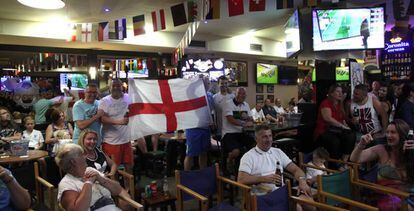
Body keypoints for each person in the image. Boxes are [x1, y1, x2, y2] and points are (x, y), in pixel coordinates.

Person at [238, 124, 314, 211]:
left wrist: (302, 181)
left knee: (310, 204)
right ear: (256, 139)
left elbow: (295, 169)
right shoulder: (248, 156)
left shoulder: (277, 152)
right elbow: (241, 180)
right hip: (262, 196)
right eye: (264, 137)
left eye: (270, 136)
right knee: (297, 208)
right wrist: (263, 179)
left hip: (281, 192)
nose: (269, 139)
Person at [350, 119, 414, 210]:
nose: (388, 135)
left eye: (393, 132)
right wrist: (361, 144)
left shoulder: (411, 151)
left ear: (402, 134)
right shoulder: (381, 149)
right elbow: (355, 159)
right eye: (387, 132)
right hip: (386, 195)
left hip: (409, 194)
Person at [56, 144, 125, 211]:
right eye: (81, 154)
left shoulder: (90, 170)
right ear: (73, 162)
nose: (85, 156)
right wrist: (88, 183)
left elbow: (117, 190)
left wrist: (101, 179)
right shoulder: (67, 183)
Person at [314, 84, 355, 168]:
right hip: (324, 130)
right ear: (331, 93)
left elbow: (343, 118)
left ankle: (344, 161)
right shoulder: (325, 103)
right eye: (338, 91)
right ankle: (335, 165)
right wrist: (342, 126)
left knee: (351, 135)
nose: (340, 94)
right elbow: (328, 118)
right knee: (335, 141)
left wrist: (348, 123)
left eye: (341, 92)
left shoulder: (339, 104)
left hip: (336, 130)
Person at [99, 79, 134, 173]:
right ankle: (116, 187)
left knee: (129, 167)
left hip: (126, 140)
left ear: (122, 87)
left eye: (118, 86)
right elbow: (101, 119)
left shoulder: (128, 98)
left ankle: (128, 188)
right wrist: (119, 122)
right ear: (109, 88)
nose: (116, 88)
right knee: (114, 170)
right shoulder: (104, 101)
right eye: (113, 86)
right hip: (111, 141)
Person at [184, 76, 215, 171]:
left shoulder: (210, 96)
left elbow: (211, 111)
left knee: (204, 153)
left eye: (208, 83)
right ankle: (187, 175)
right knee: (190, 154)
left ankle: (202, 173)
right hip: (193, 129)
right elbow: (188, 90)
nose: (207, 85)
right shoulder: (193, 95)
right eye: (204, 83)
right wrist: (197, 80)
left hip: (205, 129)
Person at [221, 87, 254, 174]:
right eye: (239, 93)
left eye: (243, 94)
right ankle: (229, 159)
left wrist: (251, 120)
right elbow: (230, 119)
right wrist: (244, 124)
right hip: (229, 134)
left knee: (255, 145)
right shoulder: (228, 104)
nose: (241, 95)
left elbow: (250, 118)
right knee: (236, 151)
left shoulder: (246, 105)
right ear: (235, 94)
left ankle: (249, 167)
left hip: (242, 133)